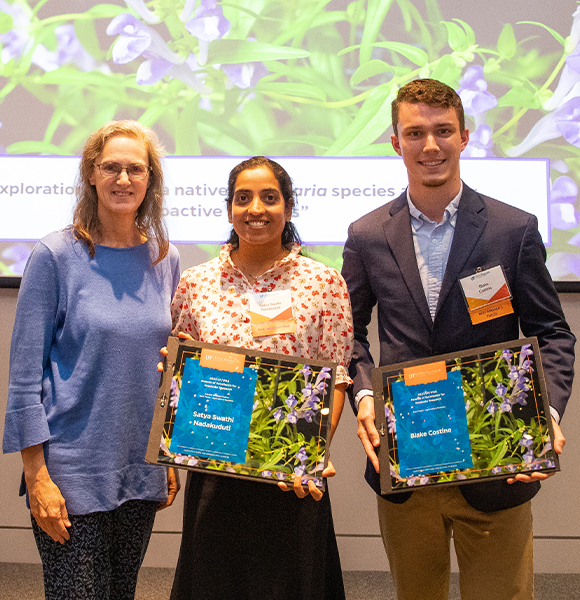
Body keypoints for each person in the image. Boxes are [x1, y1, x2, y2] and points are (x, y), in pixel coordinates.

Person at [341, 79, 575, 600]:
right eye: (415, 132)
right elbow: (348, 335)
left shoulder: (511, 229)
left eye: (443, 131)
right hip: (407, 462)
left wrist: (547, 413)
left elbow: (553, 334)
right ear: (395, 142)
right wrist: (361, 394)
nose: (430, 145)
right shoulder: (368, 234)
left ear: (465, 137)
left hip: (497, 462)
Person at [2, 120, 181, 600]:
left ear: (150, 180)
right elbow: (23, 381)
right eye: (111, 168)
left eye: (135, 170)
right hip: (70, 475)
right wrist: (35, 475)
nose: (124, 180)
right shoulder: (55, 255)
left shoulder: (165, 258)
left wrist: (168, 456)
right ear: (92, 175)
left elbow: (165, 369)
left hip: (139, 470)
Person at [167, 156, 353, 600]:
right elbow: (179, 373)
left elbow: (337, 377)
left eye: (270, 198)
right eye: (243, 198)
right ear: (230, 209)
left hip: (290, 474)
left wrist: (311, 452)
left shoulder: (324, 283)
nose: (256, 209)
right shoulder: (196, 284)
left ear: (287, 207)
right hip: (216, 470)